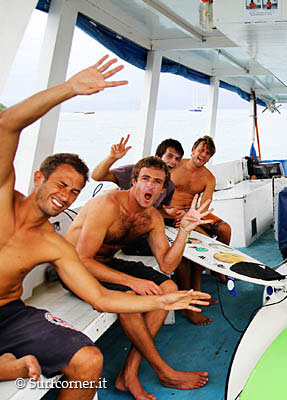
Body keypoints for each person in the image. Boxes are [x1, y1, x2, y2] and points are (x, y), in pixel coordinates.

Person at [0, 56, 210, 400]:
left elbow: (100, 297)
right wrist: (69, 88)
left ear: (162, 189)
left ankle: (129, 372)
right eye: (61, 184)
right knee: (135, 292)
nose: (66, 196)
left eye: (74, 192)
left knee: (90, 360)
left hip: (10, 312)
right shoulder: (8, 199)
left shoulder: (53, 244)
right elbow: (7, 125)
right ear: (38, 178)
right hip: (86, 266)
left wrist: (167, 297)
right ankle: (10, 367)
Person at [66, 155, 213, 399]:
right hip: (74, 267)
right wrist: (131, 281)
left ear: (163, 190)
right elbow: (82, 259)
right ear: (133, 182)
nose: (150, 186)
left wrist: (184, 231)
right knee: (130, 298)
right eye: (145, 179)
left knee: (169, 287)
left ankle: (129, 372)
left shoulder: (152, 217)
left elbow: (167, 265)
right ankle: (163, 371)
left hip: (106, 263)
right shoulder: (107, 205)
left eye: (157, 182)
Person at [168, 136, 232, 325]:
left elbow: (205, 204)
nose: (203, 155)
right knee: (198, 245)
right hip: (170, 215)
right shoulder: (175, 166)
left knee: (225, 229)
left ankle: (215, 270)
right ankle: (193, 296)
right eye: (201, 150)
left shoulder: (209, 178)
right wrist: (171, 212)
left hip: (193, 213)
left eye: (208, 153)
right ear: (193, 149)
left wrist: (194, 217)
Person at [92, 136, 185, 255]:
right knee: (173, 250)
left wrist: (171, 215)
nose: (173, 162)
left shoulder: (169, 185)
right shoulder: (135, 171)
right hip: (121, 229)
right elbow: (97, 176)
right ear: (157, 157)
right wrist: (112, 158)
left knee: (179, 248)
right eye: (169, 156)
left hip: (143, 228)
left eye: (177, 159)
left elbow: (158, 209)